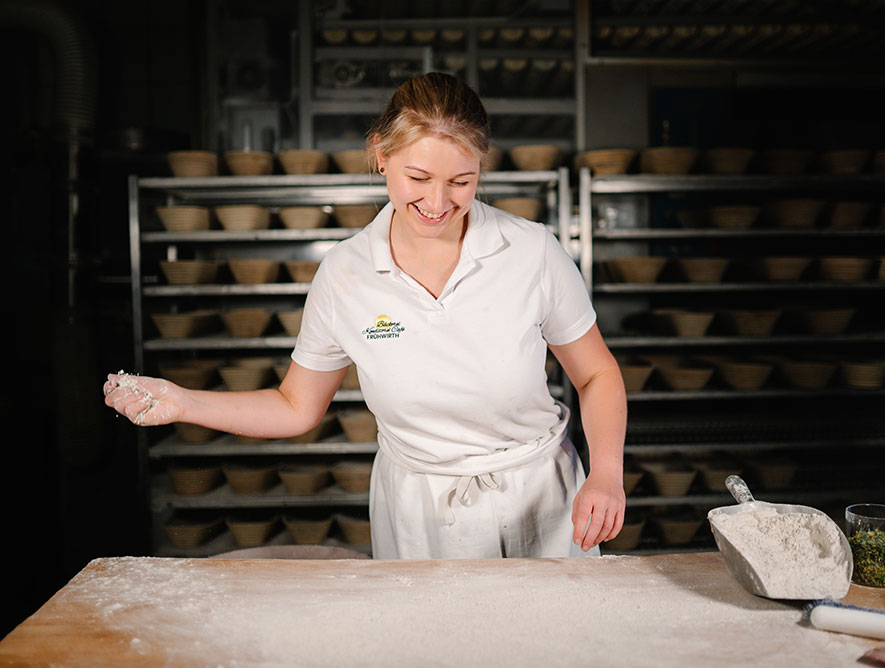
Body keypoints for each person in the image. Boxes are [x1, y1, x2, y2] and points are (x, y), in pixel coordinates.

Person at [104, 72, 627, 560]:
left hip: (542, 496)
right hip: (418, 507)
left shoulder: (531, 251)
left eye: (461, 182)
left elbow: (597, 372)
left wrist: (605, 472)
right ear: (381, 155)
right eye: (418, 177)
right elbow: (295, 407)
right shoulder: (344, 274)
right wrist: (184, 402)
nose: (438, 201)